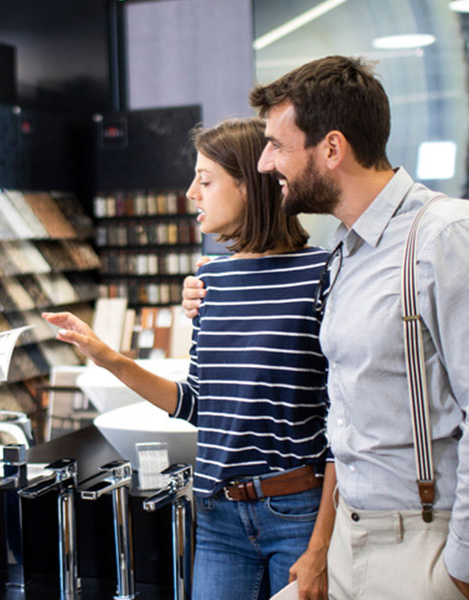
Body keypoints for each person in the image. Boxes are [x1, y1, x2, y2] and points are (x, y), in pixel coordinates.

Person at [183, 56, 469, 600]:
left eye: (277, 145)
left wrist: (464, 573)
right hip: (353, 539)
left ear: (331, 148)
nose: (263, 164)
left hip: (427, 544)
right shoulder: (346, 255)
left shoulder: (451, 236)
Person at [46, 118, 336, 600]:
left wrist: (321, 545)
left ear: (251, 185)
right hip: (218, 515)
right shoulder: (211, 282)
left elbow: (341, 424)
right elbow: (197, 403)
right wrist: (107, 357)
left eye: (205, 180)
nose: (190, 193)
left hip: (297, 514)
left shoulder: (321, 273)